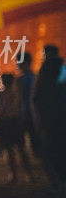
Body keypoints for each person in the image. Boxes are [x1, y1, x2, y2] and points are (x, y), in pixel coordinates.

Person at [33, 44, 66, 189]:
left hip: (49, 118)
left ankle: (57, 182)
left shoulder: (45, 70)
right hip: (60, 115)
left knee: (52, 150)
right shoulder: (62, 68)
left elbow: (37, 97)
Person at [0, 73, 33, 183]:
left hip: (5, 123)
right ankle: (29, 174)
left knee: (9, 150)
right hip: (16, 121)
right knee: (21, 149)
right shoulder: (16, 94)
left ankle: (13, 174)